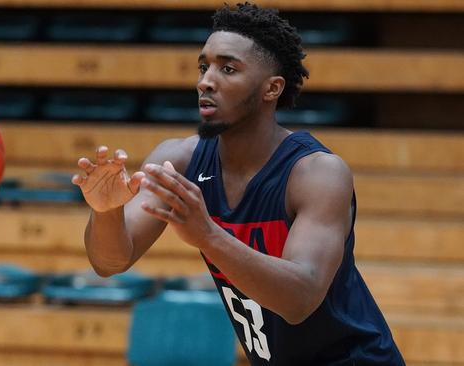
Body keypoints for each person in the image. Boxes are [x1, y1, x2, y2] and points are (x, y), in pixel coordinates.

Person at [72, 2, 404, 365]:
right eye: (204, 66)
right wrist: (107, 212)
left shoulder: (316, 173)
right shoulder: (179, 159)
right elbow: (110, 262)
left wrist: (209, 236)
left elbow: (301, 299)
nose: (205, 81)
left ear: (271, 89)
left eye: (227, 68)